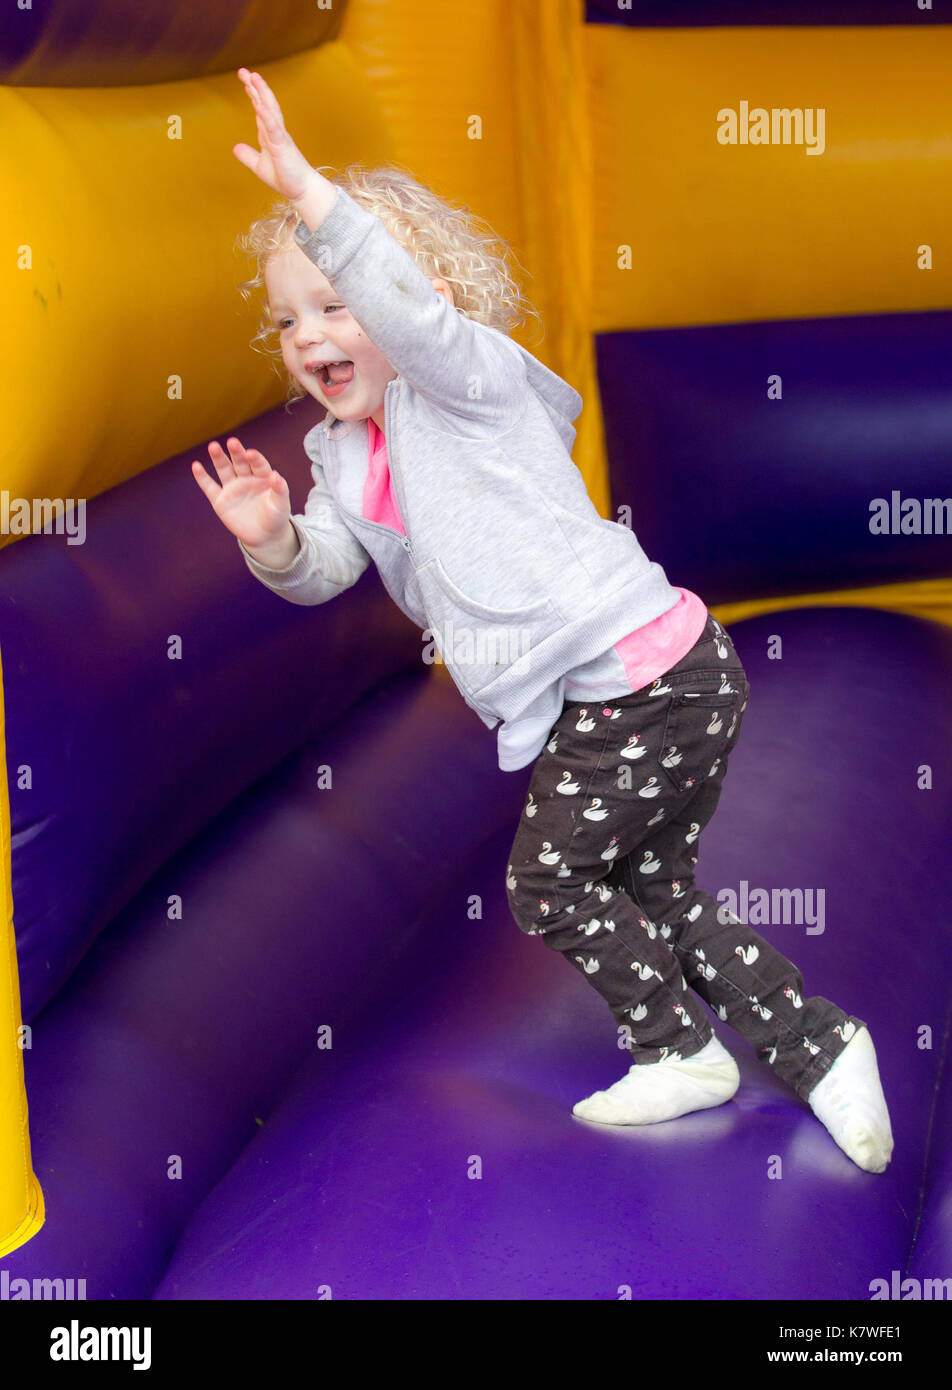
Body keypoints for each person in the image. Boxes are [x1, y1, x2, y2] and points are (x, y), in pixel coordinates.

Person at [191, 67, 893, 1174]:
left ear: (404, 302)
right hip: (633, 688)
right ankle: (823, 1043)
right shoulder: (341, 452)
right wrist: (271, 536)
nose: (311, 333)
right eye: (288, 320)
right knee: (652, 893)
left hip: (647, 678)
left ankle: (678, 1050)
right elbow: (330, 566)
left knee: (549, 879)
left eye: (336, 304)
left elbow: (412, 324)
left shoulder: (466, 385)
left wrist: (319, 204)